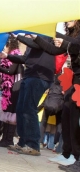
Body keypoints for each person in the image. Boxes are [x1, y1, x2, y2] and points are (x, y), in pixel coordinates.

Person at [31, 20, 80, 171]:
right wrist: (36, 37)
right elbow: (53, 50)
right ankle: (70, 155)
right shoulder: (72, 37)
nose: (67, 20)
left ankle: (76, 160)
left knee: (76, 121)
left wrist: (61, 39)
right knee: (68, 117)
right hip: (75, 80)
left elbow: (74, 45)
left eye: (72, 17)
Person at [0, 34, 55, 156]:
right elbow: (25, 58)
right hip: (29, 76)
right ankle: (22, 142)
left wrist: (19, 36)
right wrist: (7, 56)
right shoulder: (31, 43)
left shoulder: (43, 35)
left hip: (39, 77)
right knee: (21, 109)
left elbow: (35, 43)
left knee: (29, 109)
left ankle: (33, 145)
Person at [0, 36, 24, 147]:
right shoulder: (8, 58)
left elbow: (10, 71)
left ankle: (8, 140)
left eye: (5, 45)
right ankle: (4, 138)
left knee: (12, 113)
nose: (3, 47)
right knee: (7, 112)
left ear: (10, 46)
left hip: (16, 88)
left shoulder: (16, 56)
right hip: (9, 88)